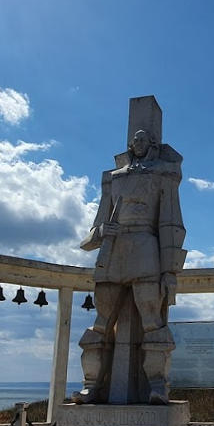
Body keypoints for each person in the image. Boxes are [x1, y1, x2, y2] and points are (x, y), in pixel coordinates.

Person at [72, 129, 186, 405]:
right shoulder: (113, 178)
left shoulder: (162, 175)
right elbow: (90, 237)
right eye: (134, 140)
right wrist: (102, 231)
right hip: (113, 252)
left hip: (146, 250)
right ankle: (91, 386)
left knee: (152, 322)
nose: (137, 143)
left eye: (142, 139)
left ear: (152, 144)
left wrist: (170, 271)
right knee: (100, 324)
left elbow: (171, 224)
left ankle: (157, 385)